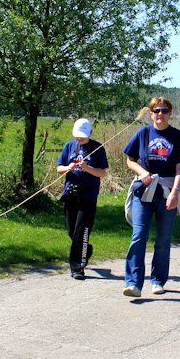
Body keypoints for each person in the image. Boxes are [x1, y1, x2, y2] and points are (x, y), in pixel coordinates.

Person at [122, 97, 180, 297]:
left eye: (164, 110)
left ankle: (157, 280)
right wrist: (142, 172)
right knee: (139, 235)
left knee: (163, 238)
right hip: (143, 191)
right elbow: (130, 160)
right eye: (156, 111)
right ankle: (133, 283)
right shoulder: (143, 133)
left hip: (167, 191)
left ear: (170, 113)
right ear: (150, 114)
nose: (160, 114)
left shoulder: (176, 136)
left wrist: (175, 193)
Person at [56, 118, 109, 280]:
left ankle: (77, 267)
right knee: (72, 231)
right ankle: (86, 249)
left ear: (90, 133)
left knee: (81, 232)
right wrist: (68, 167)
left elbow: (103, 173)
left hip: (88, 196)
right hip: (71, 194)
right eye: (78, 135)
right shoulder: (69, 146)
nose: (80, 138)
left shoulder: (97, 148)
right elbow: (59, 168)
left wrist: (87, 168)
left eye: (83, 136)